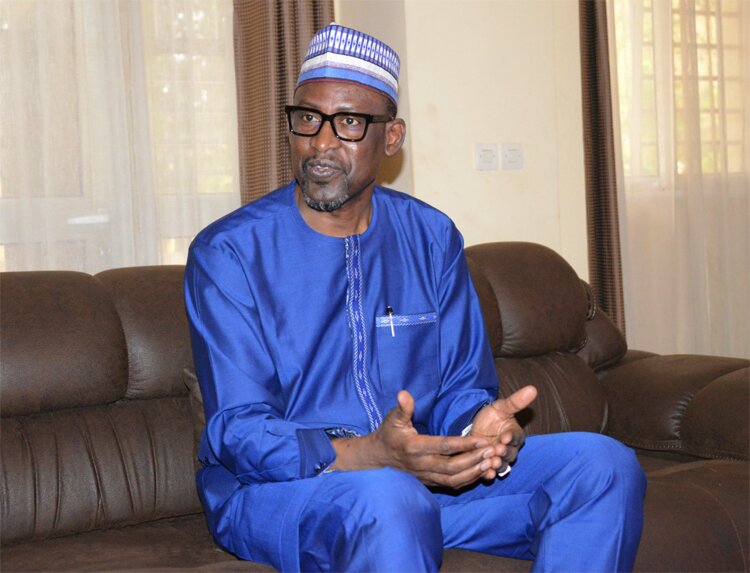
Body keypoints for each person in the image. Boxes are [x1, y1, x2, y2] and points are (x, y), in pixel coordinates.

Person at [184, 23, 646, 573]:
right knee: (389, 499)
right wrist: (367, 454)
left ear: (392, 137)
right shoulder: (230, 253)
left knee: (603, 465)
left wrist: (477, 431)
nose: (321, 143)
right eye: (307, 118)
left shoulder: (430, 238)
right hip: (282, 492)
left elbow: (459, 386)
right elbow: (238, 430)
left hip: (417, 486)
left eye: (349, 122)